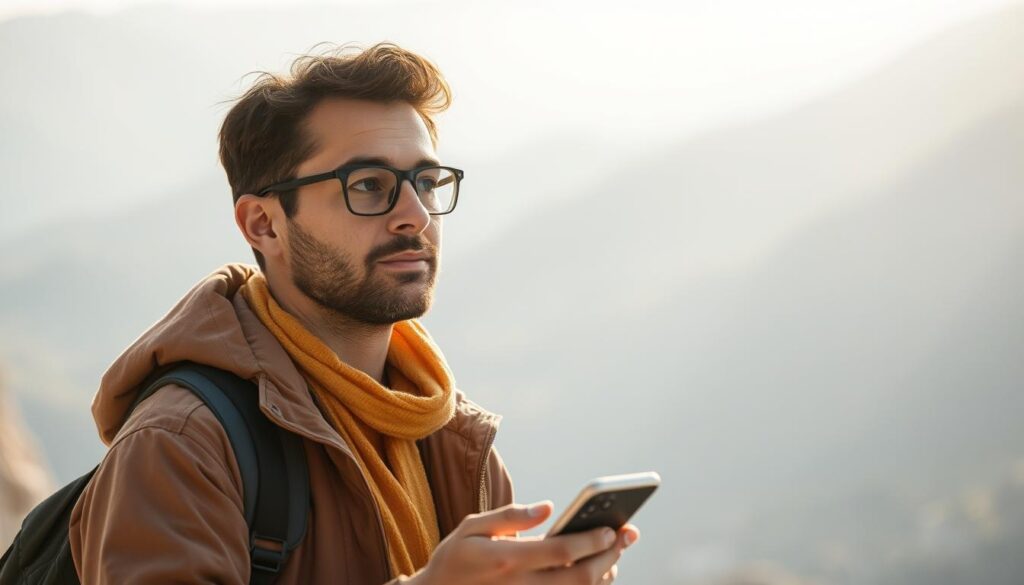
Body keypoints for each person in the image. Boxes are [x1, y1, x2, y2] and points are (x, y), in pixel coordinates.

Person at [68, 42, 639, 584]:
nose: (414, 215)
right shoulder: (180, 443)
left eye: (427, 181)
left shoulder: (449, 435)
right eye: (369, 185)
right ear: (263, 224)